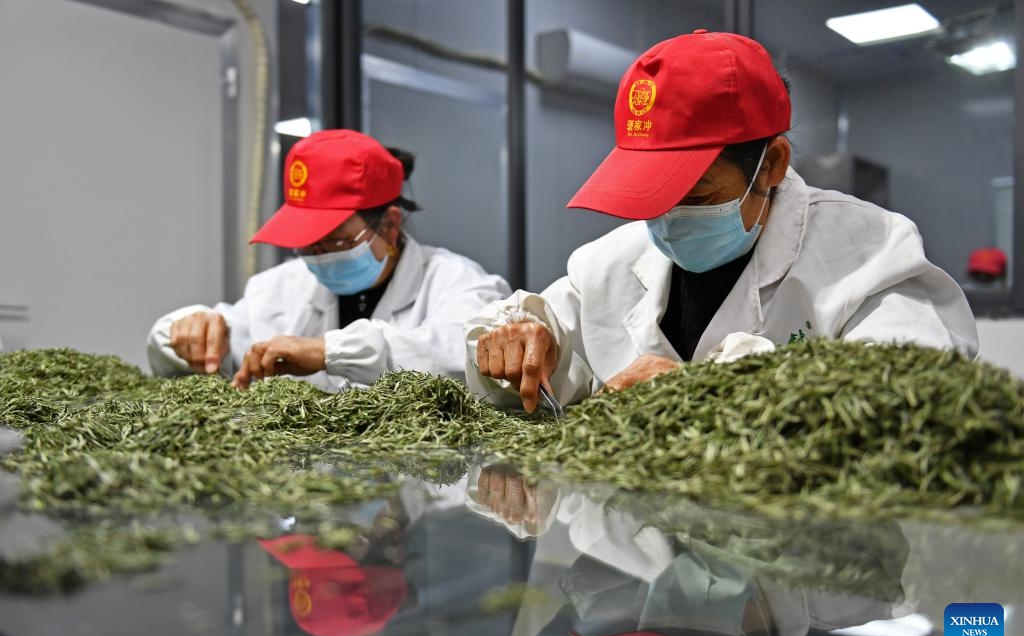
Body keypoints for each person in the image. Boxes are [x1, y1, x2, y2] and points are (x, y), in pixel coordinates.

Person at [466, 30, 978, 412]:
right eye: (650, 195)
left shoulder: (870, 251)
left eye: (695, 194)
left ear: (772, 164)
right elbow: (539, 350)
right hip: (636, 546)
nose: (666, 220)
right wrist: (514, 349)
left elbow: (913, 395)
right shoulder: (606, 264)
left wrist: (715, 389)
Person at [148, 129, 511, 391]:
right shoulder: (278, 288)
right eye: (307, 244)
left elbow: (464, 355)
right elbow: (215, 340)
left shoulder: (456, 282)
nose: (319, 258)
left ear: (389, 224)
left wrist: (328, 351)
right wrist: (185, 332)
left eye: (337, 241)